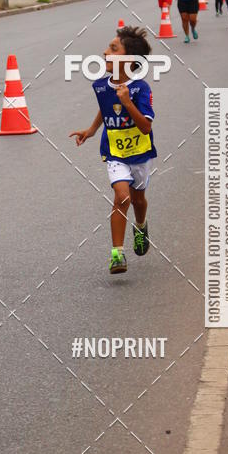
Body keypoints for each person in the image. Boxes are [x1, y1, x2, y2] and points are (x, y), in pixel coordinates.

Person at [69, 26, 156, 275]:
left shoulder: (141, 89)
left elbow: (146, 127)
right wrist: (92, 130)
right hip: (115, 152)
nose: (105, 52)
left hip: (140, 153)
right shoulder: (100, 86)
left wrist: (128, 102)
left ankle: (140, 225)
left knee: (138, 199)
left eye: (113, 49)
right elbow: (105, 109)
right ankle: (117, 253)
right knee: (122, 197)